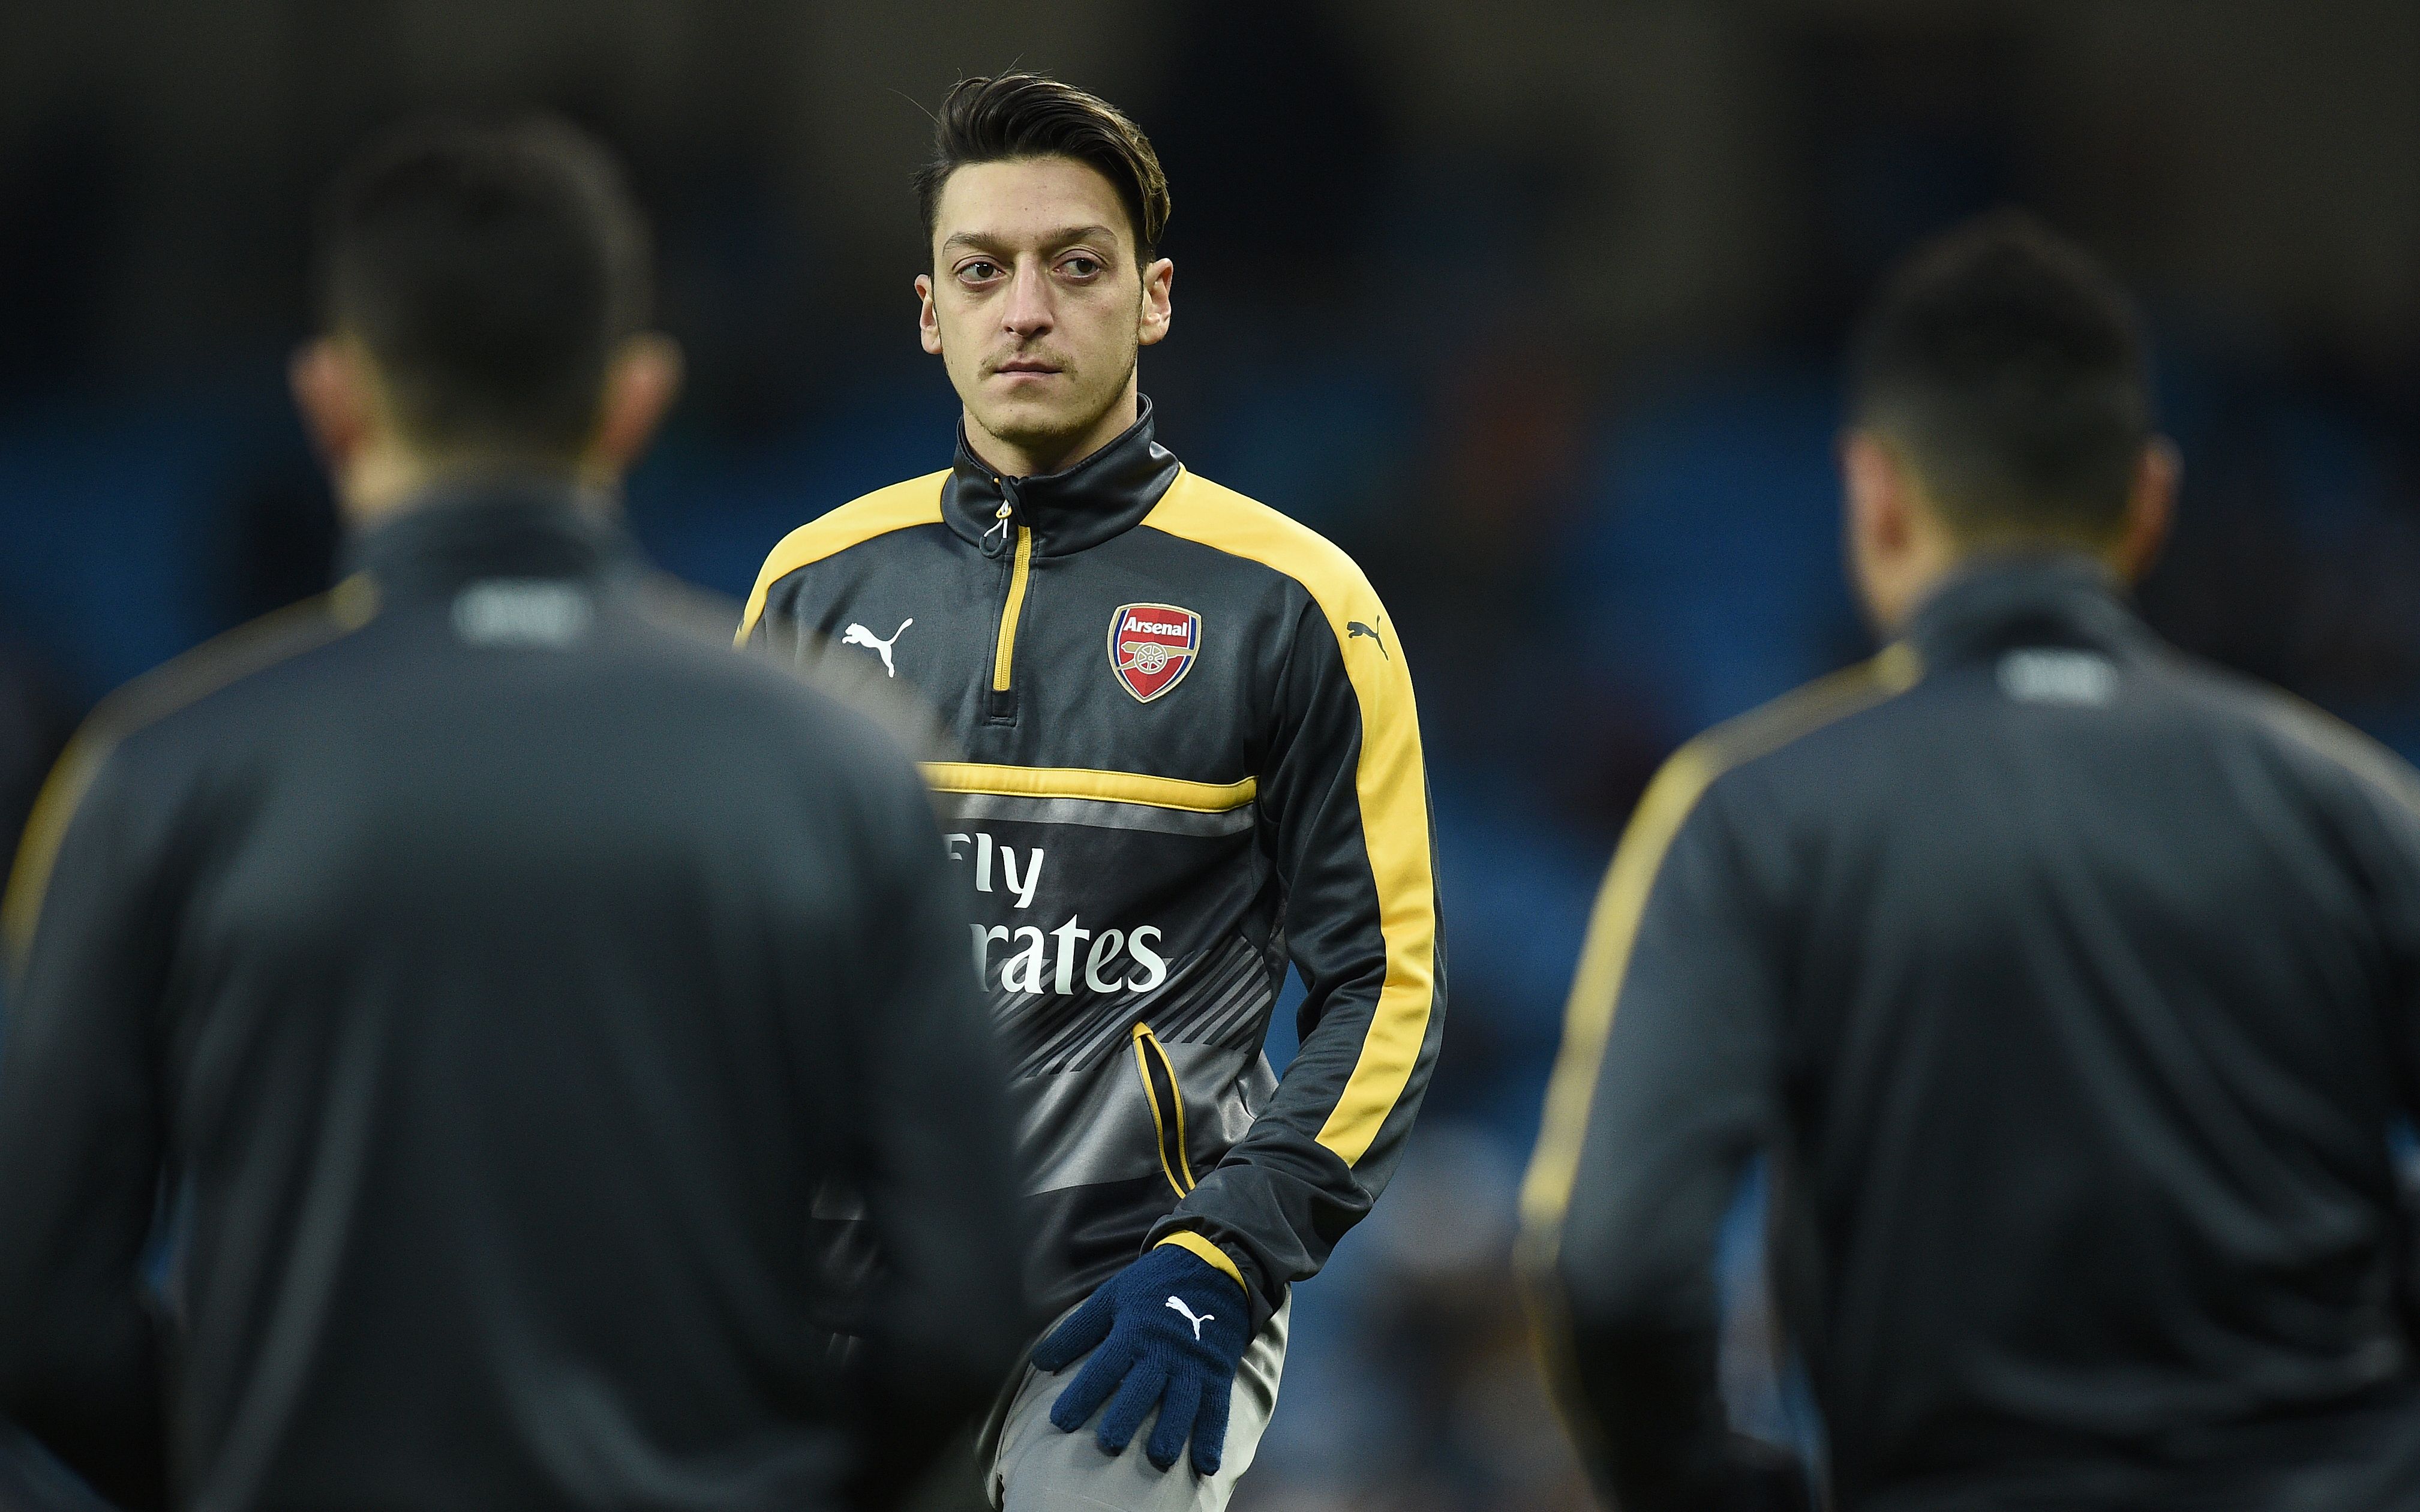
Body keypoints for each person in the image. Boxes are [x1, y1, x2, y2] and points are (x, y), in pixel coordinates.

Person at [0, 116, 1028, 1512]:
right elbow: (967, 1306)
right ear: (637, 399)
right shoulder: (846, 770)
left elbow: (40, 1311)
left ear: (333, 402)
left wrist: (254, 1464)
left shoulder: (156, 777)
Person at [1520, 212, 2420, 1512]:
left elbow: (1611, 1271)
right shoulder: (2353, 804)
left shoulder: (1754, 818)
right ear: (2148, 501)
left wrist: (1710, 1489)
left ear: (1874, 493)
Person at [737, 73, 1445, 1512]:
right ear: (929, 310)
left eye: (1077, 266)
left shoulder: (1297, 604)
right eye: (981, 271)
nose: (1027, 309)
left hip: (1137, 1306)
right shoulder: (811, 587)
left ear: (1155, 297)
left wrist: (1228, 1249)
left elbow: (1390, 987)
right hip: (840, 1303)